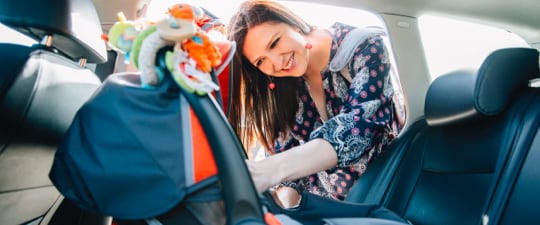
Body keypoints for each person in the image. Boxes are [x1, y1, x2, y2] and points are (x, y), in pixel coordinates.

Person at [226, 0, 403, 207]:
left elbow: (358, 129)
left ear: (293, 23)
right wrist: (285, 208)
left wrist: (268, 171)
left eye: (274, 43)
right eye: (261, 61)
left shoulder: (364, 47)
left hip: (382, 191)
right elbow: (287, 171)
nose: (276, 62)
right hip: (321, 208)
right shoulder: (281, 86)